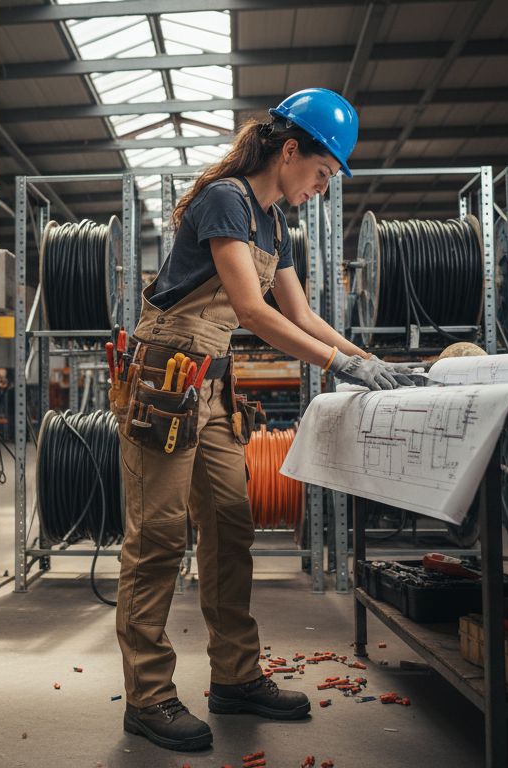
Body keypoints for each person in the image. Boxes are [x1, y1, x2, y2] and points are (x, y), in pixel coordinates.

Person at [113, 88, 419, 752]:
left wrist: (373, 361)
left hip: (212, 390)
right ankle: (149, 695)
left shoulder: (275, 224)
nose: (320, 187)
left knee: (230, 527)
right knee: (159, 539)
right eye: (321, 172)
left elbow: (303, 317)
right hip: (165, 382)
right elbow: (252, 312)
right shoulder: (226, 200)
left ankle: (235, 678)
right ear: (289, 151)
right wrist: (343, 370)